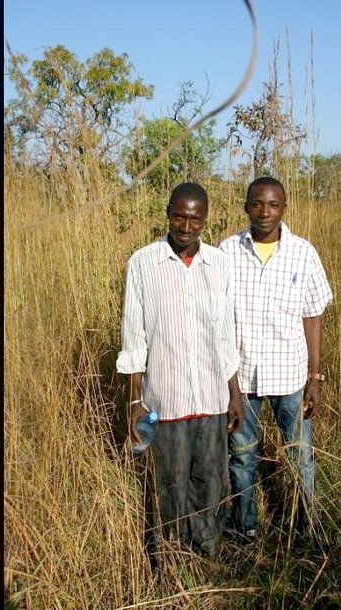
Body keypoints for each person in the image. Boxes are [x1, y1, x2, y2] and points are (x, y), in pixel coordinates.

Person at [117, 182, 243, 557]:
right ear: (168, 212)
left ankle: (206, 553)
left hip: (210, 396)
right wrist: (135, 400)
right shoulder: (142, 263)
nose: (186, 226)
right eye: (179, 216)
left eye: (195, 219)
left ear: (206, 219)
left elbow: (225, 334)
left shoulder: (219, 264)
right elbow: (134, 337)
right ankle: (171, 558)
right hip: (165, 401)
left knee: (208, 481)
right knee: (169, 484)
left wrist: (234, 394)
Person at [219, 176, 332, 541]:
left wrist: (315, 377)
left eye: (273, 205)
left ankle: (305, 528)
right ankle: (247, 527)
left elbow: (312, 316)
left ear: (284, 208)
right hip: (243, 379)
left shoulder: (304, 252)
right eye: (257, 204)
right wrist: (227, 383)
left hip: (291, 376)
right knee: (242, 456)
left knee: (300, 456)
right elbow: (219, 320)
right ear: (245, 206)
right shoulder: (226, 252)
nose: (264, 212)